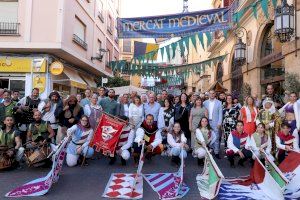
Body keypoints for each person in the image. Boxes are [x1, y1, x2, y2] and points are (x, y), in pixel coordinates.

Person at [203, 90, 223, 159]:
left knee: (216, 137)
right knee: (208, 137)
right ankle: (210, 151)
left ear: (215, 94)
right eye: (210, 93)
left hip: (216, 122)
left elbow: (220, 114)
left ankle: (216, 152)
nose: (211, 94)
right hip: (207, 122)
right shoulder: (205, 103)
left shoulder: (219, 103)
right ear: (208, 94)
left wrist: (219, 123)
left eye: (213, 93)